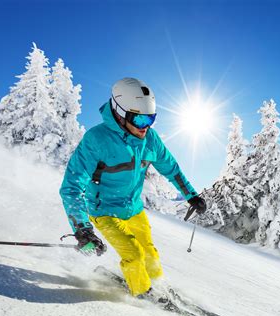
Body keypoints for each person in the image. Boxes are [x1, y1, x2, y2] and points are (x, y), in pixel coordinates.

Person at [60, 77, 206, 298]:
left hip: (134, 209)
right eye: (139, 120)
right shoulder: (96, 139)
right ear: (120, 113)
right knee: (134, 255)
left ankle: (158, 287)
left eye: (151, 119)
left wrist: (191, 196)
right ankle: (143, 294)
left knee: (150, 253)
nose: (145, 127)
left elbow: (171, 168)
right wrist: (83, 228)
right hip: (104, 211)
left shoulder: (151, 139)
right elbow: (71, 188)